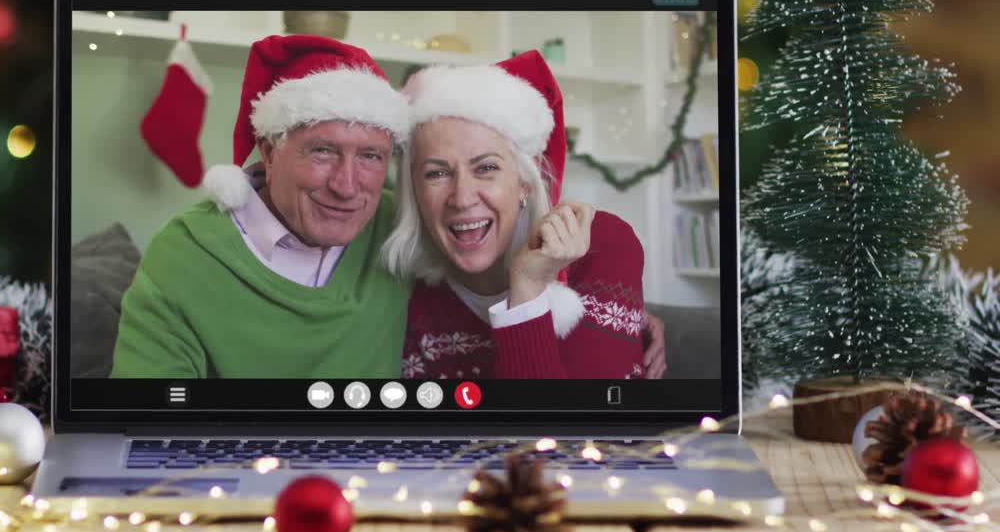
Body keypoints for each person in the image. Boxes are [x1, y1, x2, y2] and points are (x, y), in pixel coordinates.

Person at [111, 34, 412, 379]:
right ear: (269, 153)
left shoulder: (398, 227)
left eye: (370, 156)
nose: (346, 186)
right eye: (323, 151)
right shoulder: (183, 255)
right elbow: (145, 418)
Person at [383, 50, 667, 379]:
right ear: (414, 191)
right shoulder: (408, 293)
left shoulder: (602, 244)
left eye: (486, 168)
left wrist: (528, 288)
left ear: (525, 183)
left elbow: (571, 429)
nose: (461, 198)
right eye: (436, 173)